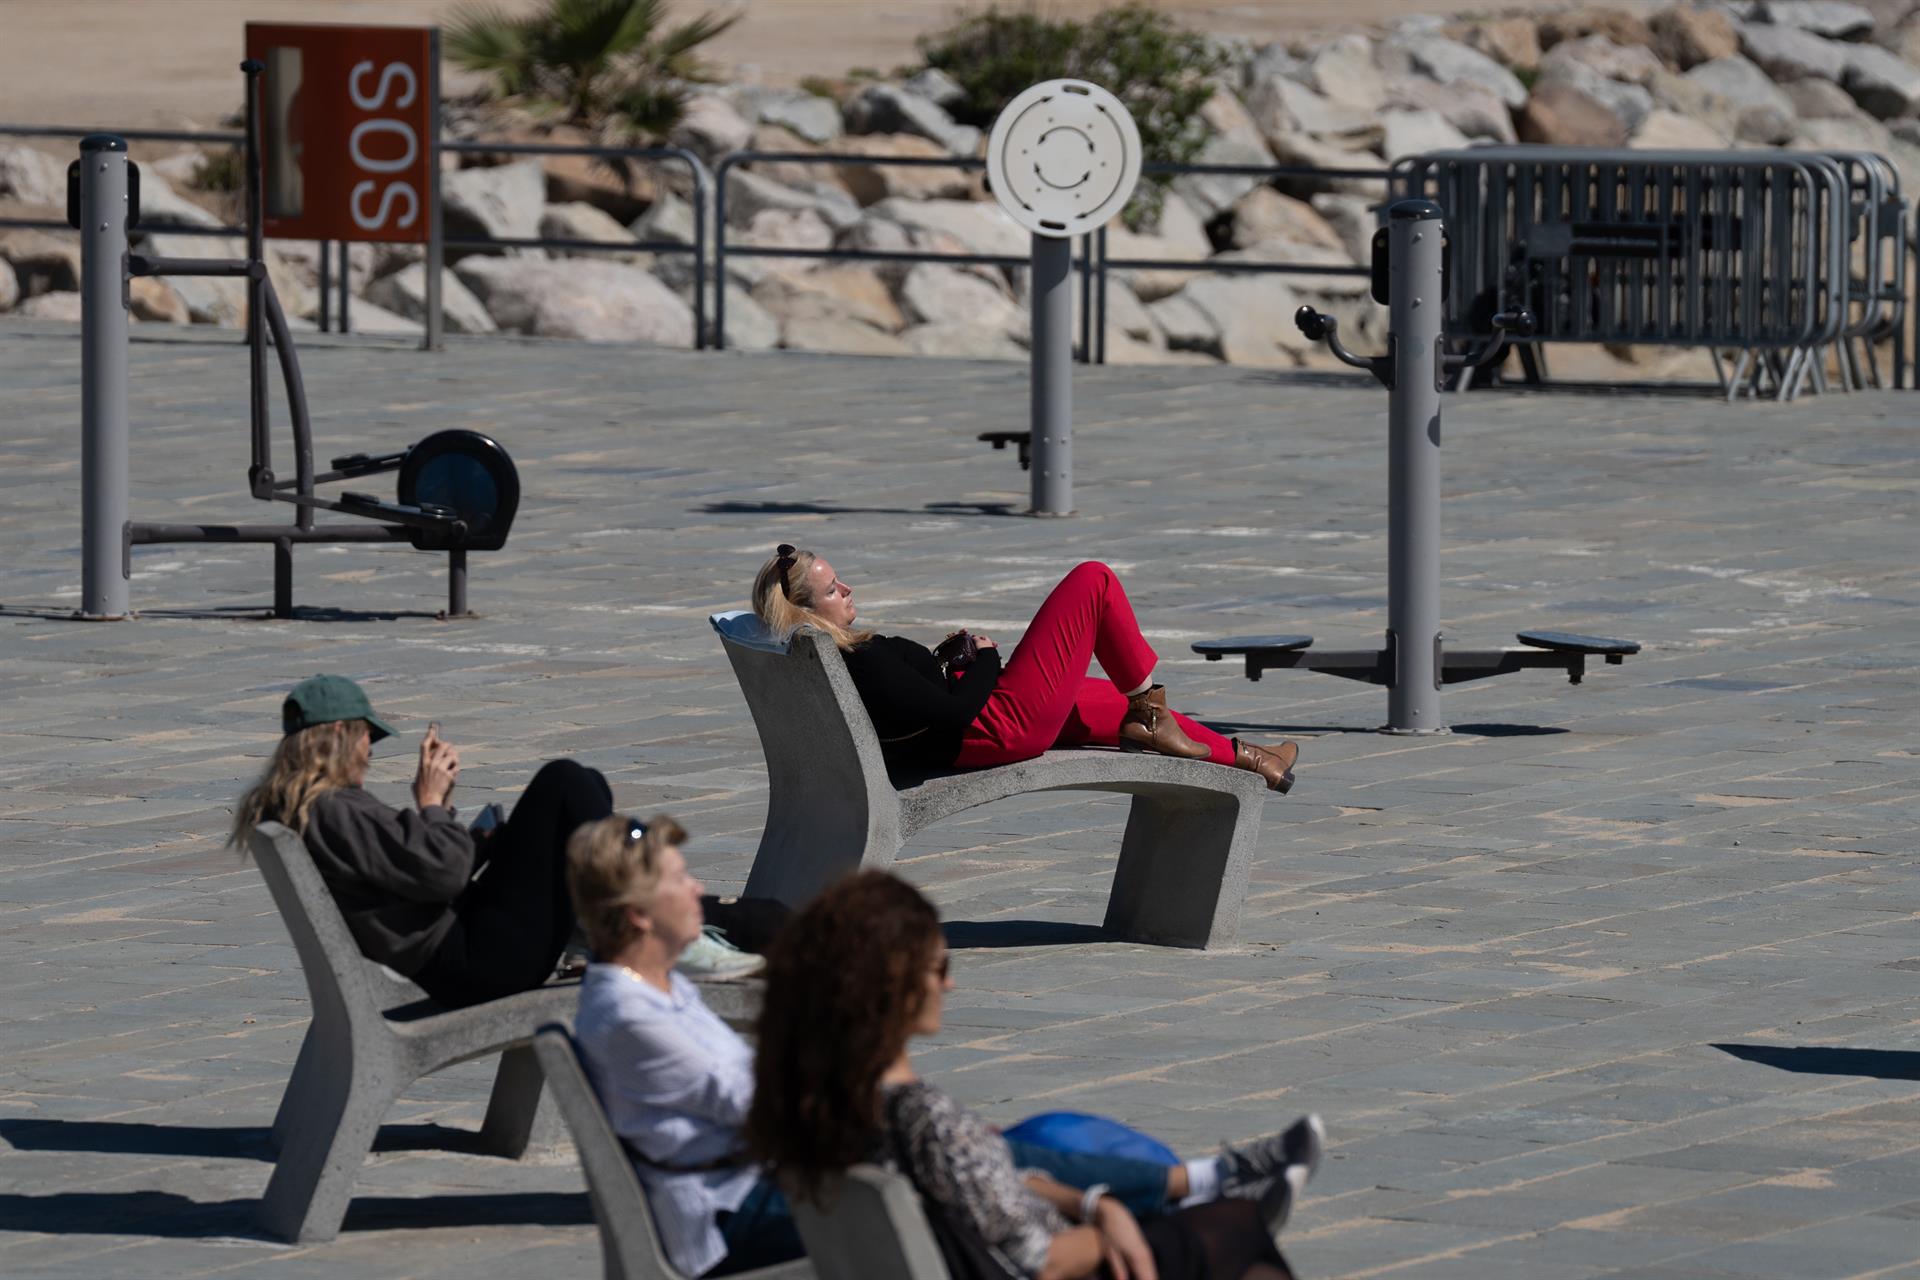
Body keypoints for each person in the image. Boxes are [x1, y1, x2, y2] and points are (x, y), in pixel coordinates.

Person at [566, 815, 1308, 1279]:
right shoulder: (631, 1014)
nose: (698, 887)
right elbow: (767, 1103)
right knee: (988, 1146)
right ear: (635, 917)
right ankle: (1199, 1186)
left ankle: (1192, 1184)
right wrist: (881, 1098)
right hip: (737, 1210)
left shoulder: (652, 984)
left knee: (1003, 1140)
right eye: (677, 880)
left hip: (769, 1176)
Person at [747, 871, 1319, 1280]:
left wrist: (1098, 1204)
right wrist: (1107, 1232)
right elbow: (1036, 1261)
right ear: (893, 988)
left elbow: (971, 1192)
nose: (948, 985)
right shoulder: (923, 1115)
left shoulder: (814, 1103)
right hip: (1057, 1263)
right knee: (1236, 1229)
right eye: (939, 968)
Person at [229, 674, 748, 1006]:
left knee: (581, 783)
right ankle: (641, 923)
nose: (370, 749)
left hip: (464, 948)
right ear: (340, 735)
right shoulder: (336, 810)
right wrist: (431, 801)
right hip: (475, 961)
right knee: (564, 780)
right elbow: (443, 874)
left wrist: (479, 839)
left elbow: (418, 871)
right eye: (367, 736)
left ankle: (616, 916)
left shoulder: (316, 811)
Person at [750, 547, 1298, 793]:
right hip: (997, 727)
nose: (846, 589)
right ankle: (1150, 708)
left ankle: (1252, 760)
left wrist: (950, 663)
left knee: (1111, 702)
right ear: (806, 610)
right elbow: (954, 712)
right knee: (1093, 581)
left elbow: (921, 704)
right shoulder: (859, 660)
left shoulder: (838, 657)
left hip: (985, 722)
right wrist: (986, 657)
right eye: (831, 589)